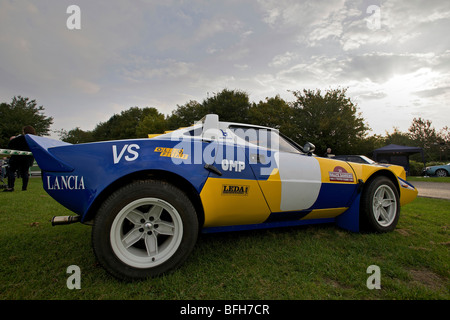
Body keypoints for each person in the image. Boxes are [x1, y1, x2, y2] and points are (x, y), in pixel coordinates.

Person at [3, 126, 36, 192]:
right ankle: (24, 188)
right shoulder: (34, 139)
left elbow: (10, 145)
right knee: (25, 172)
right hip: (28, 158)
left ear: (24, 131)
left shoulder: (19, 138)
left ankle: (10, 187)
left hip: (17, 158)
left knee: (11, 170)